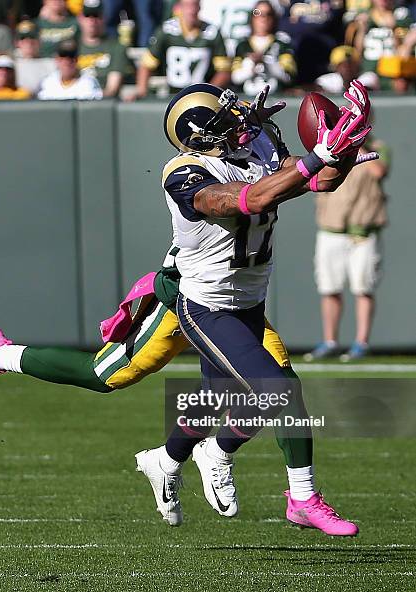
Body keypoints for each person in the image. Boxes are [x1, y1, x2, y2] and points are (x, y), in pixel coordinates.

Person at [134, 81, 372, 532]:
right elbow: (252, 198)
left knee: (219, 399)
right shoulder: (185, 173)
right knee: (280, 388)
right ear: (202, 137)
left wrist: (340, 150)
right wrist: (319, 155)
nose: (241, 119)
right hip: (207, 306)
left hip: (248, 300)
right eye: (225, 120)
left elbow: (317, 180)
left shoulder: (258, 140)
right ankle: (302, 496)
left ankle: (170, 459)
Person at [304, 133, 390, 362]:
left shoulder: (378, 146)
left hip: (363, 229)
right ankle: (330, 341)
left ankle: (361, 343)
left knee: (363, 287)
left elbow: (379, 172)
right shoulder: (326, 147)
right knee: (329, 287)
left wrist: (358, 147)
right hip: (331, 227)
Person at [133, 0, 231, 99]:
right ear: (178, 8)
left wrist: (208, 93)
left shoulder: (212, 33)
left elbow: (224, 71)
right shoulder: (166, 31)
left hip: (202, 98)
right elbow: (146, 64)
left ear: (200, 7)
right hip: (173, 96)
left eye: (194, 5)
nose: (191, 10)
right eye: (187, 5)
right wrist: (141, 90)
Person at [345, 0, 414, 92]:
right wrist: (362, 30)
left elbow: (402, 51)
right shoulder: (365, 15)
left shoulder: (401, 15)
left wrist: (393, 29)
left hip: (393, 70)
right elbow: (358, 51)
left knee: (401, 85)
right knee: (363, 86)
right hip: (370, 69)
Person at [232, 1, 297, 97]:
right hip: (246, 100)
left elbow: (288, 76)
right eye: (257, 13)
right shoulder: (242, 45)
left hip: (276, 98)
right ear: (251, 17)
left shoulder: (283, 44)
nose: (263, 18)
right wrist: (251, 66)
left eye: (268, 14)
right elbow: (235, 78)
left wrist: (266, 62)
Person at [77, 0, 133, 98]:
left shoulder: (117, 47)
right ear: (80, 18)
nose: (92, 21)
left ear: (104, 18)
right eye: (87, 15)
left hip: (102, 102)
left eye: (96, 15)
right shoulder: (73, 47)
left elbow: (112, 89)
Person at [37, 39, 103, 100]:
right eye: (63, 56)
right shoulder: (48, 82)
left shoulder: (89, 82)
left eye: (71, 57)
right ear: (56, 59)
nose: (67, 61)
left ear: (77, 60)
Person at [14, 19, 57, 95]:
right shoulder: (11, 66)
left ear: (39, 40)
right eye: (23, 38)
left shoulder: (52, 64)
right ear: (17, 43)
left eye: (32, 37)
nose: (29, 42)